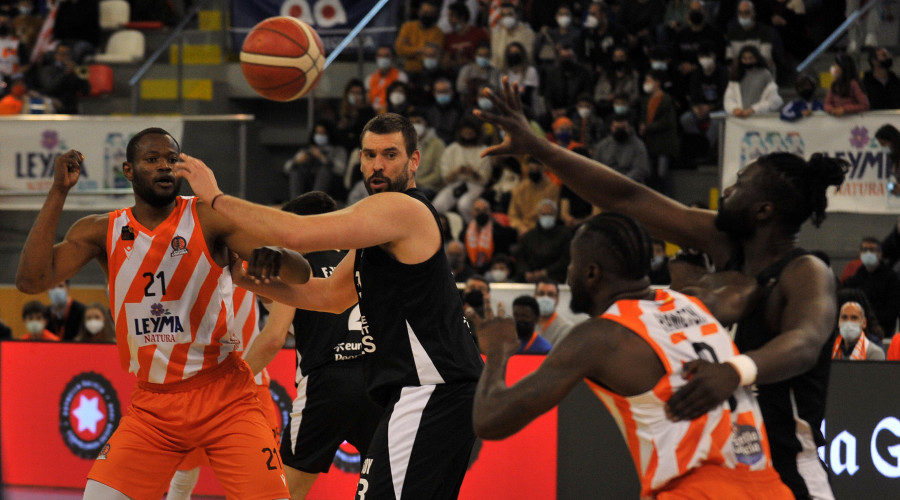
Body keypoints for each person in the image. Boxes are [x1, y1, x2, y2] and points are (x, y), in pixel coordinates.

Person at [477, 78, 848, 499]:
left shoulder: (807, 271)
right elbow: (628, 199)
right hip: (714, 465)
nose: (727, 191)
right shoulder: (723, 243)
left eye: (739, 185)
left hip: (785, 467)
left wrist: (735, 371)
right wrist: (540, 148)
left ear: (764, 211)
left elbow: (804, 343)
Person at [175, 113, 485, 499]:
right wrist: (238, 276)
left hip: (431, 388)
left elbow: (295, 233)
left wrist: (216, 199)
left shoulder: (402, 210)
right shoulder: (377, 228)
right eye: (370, 155)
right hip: (428, 390)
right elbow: (328, 296)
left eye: (390, 155)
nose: (378, 165)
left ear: (415, 161)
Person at [15, 129, 308, 499]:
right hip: (154, 407)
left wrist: (277, 258)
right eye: (152, 160)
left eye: (171, 159)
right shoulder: (100, 230)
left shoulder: (208, 218)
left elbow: (301, 273)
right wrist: (58, 192)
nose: (164, 166)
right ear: (128, 170)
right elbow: (30, 280)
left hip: (225, 395)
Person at [472, 213, 793, 499]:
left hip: (694, 489)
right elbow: (747, 284)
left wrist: (499, 350)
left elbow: (490, 420)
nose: (569, 272)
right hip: (769, 485)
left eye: (572, 263)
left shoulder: (601, 337)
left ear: (592, 273)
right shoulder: (698, 300)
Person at [235, 192, 383, 500]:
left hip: (325, 385)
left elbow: (274, 336)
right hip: (378, 382)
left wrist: (234, 379)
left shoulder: (298, 264)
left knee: (285, 492)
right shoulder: (359, 258)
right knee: (385, 488)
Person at [167, 286, 283, 500]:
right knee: (184, 475)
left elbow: (278, 305)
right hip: (197, 380)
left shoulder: (250, 256)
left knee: (264, 480)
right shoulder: (185, 259)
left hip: (250, 378)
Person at [842, 237, 900, 340]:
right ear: (860, 254)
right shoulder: (857, 276)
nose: (868, 253)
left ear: (880, 254)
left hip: (882, 330)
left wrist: (869, 318)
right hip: (858, 329)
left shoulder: (891, 278)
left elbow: (893, 309)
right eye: (865, 250)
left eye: (872, 250)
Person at [283, 120, 347, 201]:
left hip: (329, 185)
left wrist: (322, 158)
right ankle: (295, 202)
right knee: (296, 171)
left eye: (322, 133)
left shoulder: (338, 150)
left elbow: (340, 170)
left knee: (324, 170)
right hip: (308, 181)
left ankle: (315, 201)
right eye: (317, 133)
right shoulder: (308, 149)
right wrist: (297, 161)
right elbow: (286, 167)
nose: (319, 136)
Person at [513, 198, 571, 284]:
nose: (547, 217)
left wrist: (545, 272)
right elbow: (520, 258)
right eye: (544, 214)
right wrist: (527, 273)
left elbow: (565, 259)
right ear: (538, 215)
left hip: (555, 277)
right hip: (530, 278)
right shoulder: (528, 236)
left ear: (556, 215)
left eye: (550, 214)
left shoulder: (565, 235)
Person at [723, 44, 783, 119]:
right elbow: (729, 98)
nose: (748, 61)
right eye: (745, 58)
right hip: (739, 119)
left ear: (757, 58)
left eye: (751, 58)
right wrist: (735, 109)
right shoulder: (736, 75)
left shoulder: (765, 74)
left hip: (760, 118)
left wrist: (753, 110)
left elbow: (774, 100)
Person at [459, 198, 517, 274]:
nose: (481, 213)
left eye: (485, 210)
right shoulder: (464, 232)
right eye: (477, 210)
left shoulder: (500, 231)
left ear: (490, 212)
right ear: (472, 213)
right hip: (470, 270)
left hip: (493, 271)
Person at [507, 157, 560, 235]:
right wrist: (521, 227)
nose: (534, 172)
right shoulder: (520, 189)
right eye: (531, 169)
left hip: (545, 228)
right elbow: (513, 215)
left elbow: (554, 214)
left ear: (543, 169)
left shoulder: (553, 188)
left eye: (537, 169)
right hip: (524, 229)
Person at [595, 113, 650, 184]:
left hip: (630, 184)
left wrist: (622, 182)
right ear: (611, 128)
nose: (620, 131)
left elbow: (641, 169)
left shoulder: (638, 145)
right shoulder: (602, 145)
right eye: (617, 128)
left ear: (629, 128)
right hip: (606, 182)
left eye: (623, 128)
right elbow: (596, 166)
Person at [394, 0, 443, 77]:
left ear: (435, 15)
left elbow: (432, 55)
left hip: (428, 72)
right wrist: (422, 50)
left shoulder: (438, 32)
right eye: (425, 12)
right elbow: (400, 50)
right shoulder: (407, 27)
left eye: (431, 13)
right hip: (408, 71)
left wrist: (410, 50)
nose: (427, 15)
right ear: (419, 12)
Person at [490, 3, 535, 69]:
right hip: (501, 71)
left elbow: (527, 57)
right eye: (504, 15)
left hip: (521, 71)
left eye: (509, 14)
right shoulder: (496, 34)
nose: (506, 18)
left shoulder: (528, 33)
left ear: (517, 15)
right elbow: (495, 59)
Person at [366, 45, 408, 113]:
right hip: (372, 113)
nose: (383, 58)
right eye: (380, 56)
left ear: (392, 57)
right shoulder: (370, 78)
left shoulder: (400, 76)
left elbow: (401, 99)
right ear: (376, 58)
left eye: (386, 56)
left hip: (392, 112)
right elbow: (367, 100)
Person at [533, 280, 572, 346]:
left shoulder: (566, 328)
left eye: (550, 294)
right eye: (541, 293)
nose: (545, 298)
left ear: (557, 299)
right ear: (534, 297)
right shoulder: (526, 325)